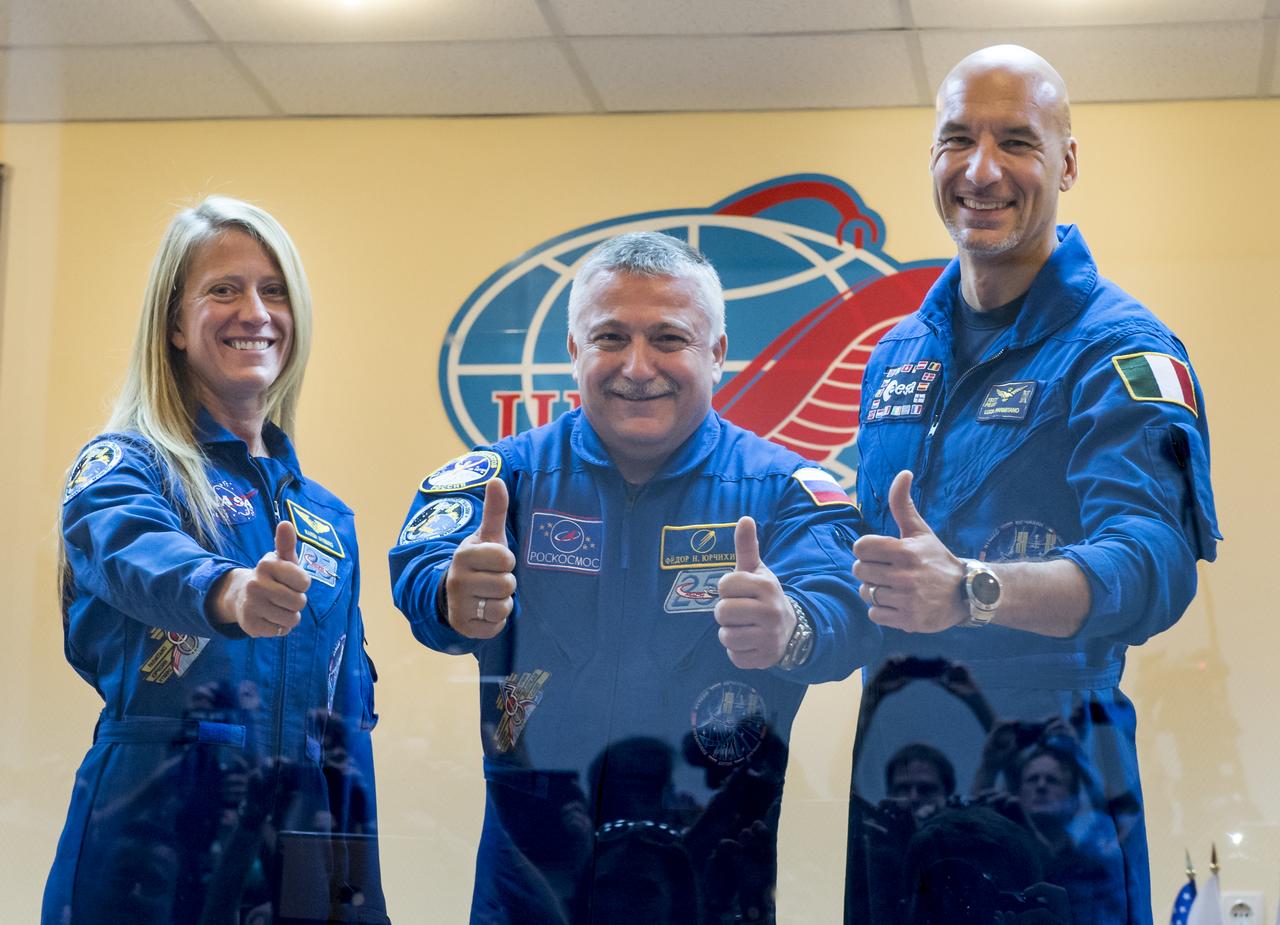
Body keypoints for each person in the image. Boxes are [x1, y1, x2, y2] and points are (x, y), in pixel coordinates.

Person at [390, 231, 873, 923]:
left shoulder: (783, 491)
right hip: (531, 887)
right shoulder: (505, 480)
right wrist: (450, 595)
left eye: (668, 339)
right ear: (574, 351)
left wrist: (793, 628)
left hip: (713, 884)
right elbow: (423, 565)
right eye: (610, 337)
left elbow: (845, 603)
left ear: (717, 353)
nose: (637, 367)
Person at [845, 44, 1219, 925]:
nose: (981, 170)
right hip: (898, 777)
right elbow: (870, 564)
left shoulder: (1120, 346)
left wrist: (973, 589)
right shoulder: (896, 354)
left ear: (1067, 162)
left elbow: (1154, 558)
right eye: (957, 139)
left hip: (1052, 780)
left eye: (1015, 141)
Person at [44, 197, 386, 924]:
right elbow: (133, 549)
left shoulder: (327, 518)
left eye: (274, 290)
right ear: (175, 323)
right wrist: (227, 590)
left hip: (300, 854)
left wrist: (361, 901)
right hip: (153, 844)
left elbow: (345, 727)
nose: (254, 312)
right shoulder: (123, 467)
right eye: (224, 289)